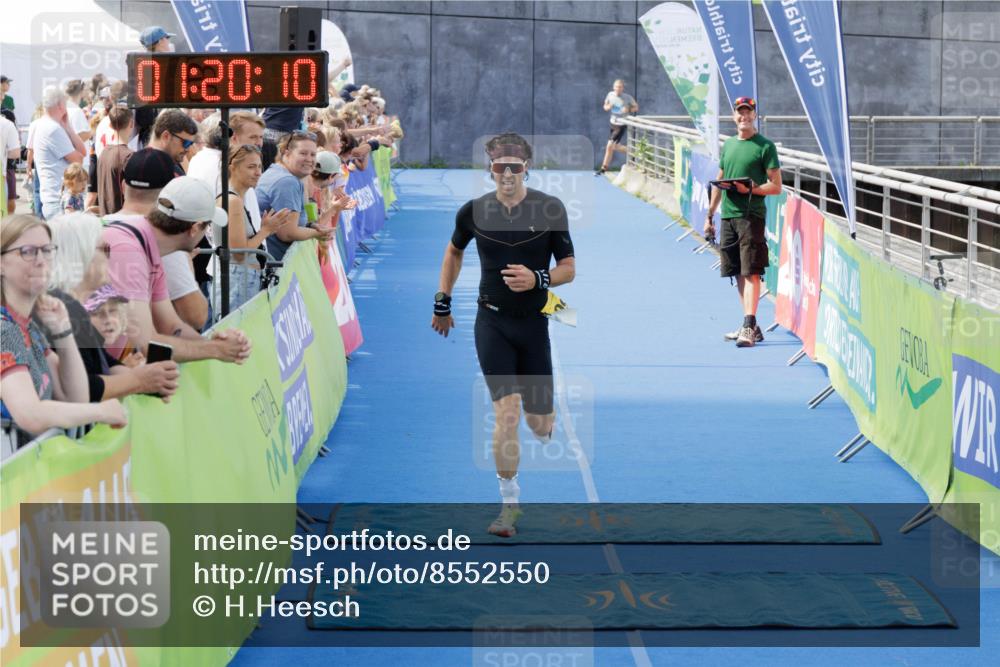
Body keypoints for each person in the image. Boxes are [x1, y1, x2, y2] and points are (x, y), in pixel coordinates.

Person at [432, 133, 576, 537]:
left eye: (515, 167)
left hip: (534, 323)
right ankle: (509, 505)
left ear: (527, 168)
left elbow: (568, 267)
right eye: (500, 167)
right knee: (506, 415)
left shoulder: (549, 208)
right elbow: (453, 251)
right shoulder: (473, 212)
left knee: (538, 423)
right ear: (489, 169)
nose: (508, 174)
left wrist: (538, 278)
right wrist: (442, 300)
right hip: (491, 321)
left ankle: (546, 421)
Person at [1, 215, 127, 459]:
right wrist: (100, 412)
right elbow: (30, 414)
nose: (41, 261)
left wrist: (63, 331)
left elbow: (75, 397)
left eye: (47, 250)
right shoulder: (5, 330)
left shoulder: (28, 327)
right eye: (27, 252)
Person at [102, 161, 251, 364]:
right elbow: (146, 343)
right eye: (207, 227)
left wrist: (213, 343)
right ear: (194, 228)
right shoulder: (131, 251)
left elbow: (171, 326)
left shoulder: (150, 245)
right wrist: (215, 350)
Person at [45, 212, 180, 402]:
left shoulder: (70, 304)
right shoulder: (56, 308)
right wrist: (140, 381)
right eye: (105, 249)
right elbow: (83, 386)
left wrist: (151, 379)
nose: (111, 256)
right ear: (82, 253)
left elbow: (102, 362)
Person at [704, 97, 782, 348]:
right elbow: (720, 178)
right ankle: (751, 324)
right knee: (737, 272)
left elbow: (776, 186)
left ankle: (748, 326)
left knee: (751, 271)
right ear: (734, 116)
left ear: (754, 115)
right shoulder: (728, 146)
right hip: (728, 216)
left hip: (751, 217)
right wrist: (710, 215)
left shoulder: (765, 147)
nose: (744, 117)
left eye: (748, 113)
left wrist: (749, 189)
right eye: (740, 113)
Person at [215, 144, 293, 311]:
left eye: (259, 167)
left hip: (241, 279)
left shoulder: (236, 199)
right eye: (251, 167)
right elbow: (239, 252)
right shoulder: (233, 201)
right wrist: (265, 231)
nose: (258, 172)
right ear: (232, 167)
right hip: (237, 282)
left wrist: (265, 229)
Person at [256, 131, 333, 262]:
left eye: (313, 154)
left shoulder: (277, 171)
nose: (309, 159)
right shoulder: (287, 182)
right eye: (303, 153)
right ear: (286, 152)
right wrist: (317, 234)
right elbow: (287, 233)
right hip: (272, 264)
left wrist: (311, 226)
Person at [31, 86, 87, 220]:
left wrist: (67, 126)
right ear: (61, 106)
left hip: (57, 199)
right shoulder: (53, 129)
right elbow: (79, 159)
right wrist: (68, 128)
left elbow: (82, 152)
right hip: (59, 201)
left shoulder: (47, 125)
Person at [96, 106, 134, 215]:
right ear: (131, 124)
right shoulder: (128, 156)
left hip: (105, 220)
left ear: (110, 125)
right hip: (121, 222)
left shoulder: (103, 153)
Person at [596, 79, 638, 175]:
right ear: (613, 87)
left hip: (621, 124)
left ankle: (603, 168)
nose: (618, 89)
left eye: (620, 87)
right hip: (613, 123)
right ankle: (632, 152)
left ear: (623, 88)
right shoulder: (610, 95)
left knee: (609, 145)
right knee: (613, 147)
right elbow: (605, 107)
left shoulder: (627, 97)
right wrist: (608, 107)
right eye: (616, 87)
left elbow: (636, 107)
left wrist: (628, 109)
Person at [1, 109, 20, 215]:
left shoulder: (8, 118)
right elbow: (15, 153)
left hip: (9, 168)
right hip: (6, 169)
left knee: (11, 201)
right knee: (9, 202)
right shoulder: (7, 124)